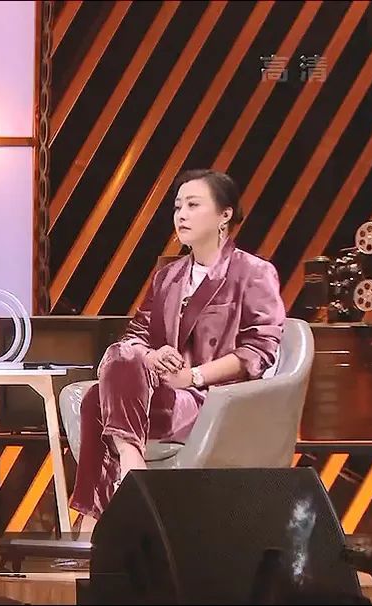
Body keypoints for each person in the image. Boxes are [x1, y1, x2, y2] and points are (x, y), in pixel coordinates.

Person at [70, 169, 285, 532]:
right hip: (163, 395)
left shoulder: (253, 272)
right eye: (177, 206)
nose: (181, 215)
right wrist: (151, 357)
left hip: (214, 400)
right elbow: (136, 336)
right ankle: (131, 463)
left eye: (193, 205)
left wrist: (193, 376)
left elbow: (259, 351)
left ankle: (96, 521)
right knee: (120, 358)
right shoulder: (167, 276)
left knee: (95, 401)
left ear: (224, 214)